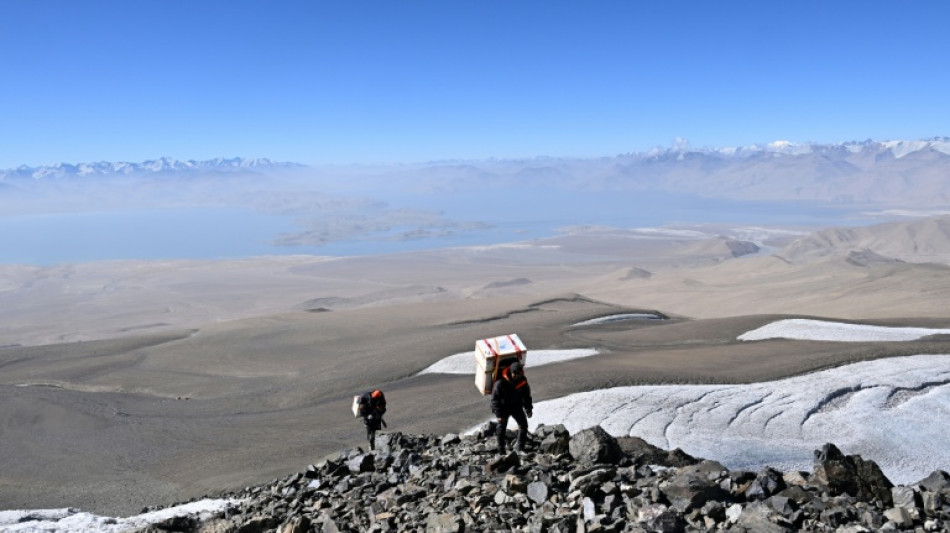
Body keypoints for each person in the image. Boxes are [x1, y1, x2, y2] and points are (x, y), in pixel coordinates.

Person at [490, 360, 533, 454]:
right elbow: (494, 399)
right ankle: (501, 451)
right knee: (501, 429)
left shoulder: (523, 381)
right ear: (511, 372)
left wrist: (528, 408)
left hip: (516, 406)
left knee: (523, 425)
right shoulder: (500, 382)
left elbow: (526, 396)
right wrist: (498, 414)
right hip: (503, 408)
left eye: (519, 373)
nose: (517, 376)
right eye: (515, 373)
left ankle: (520, 448)